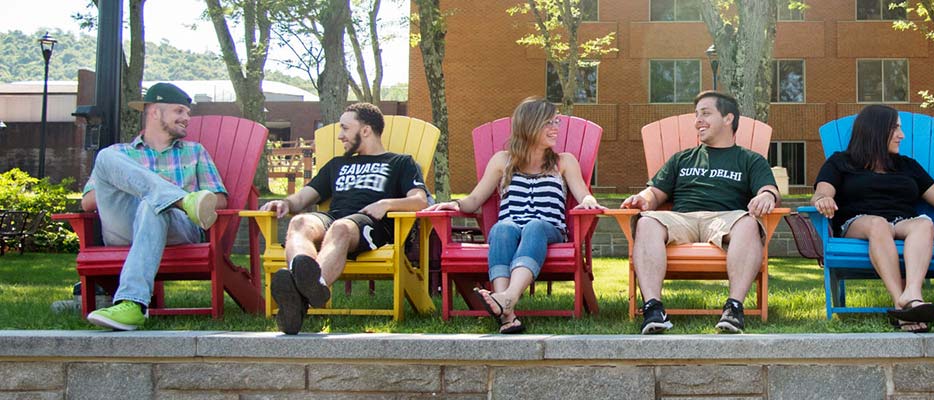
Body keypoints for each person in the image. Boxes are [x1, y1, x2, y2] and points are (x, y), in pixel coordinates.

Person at [421, 98, 605, 334]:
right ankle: (507, 313)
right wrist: (453, 204)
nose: (555, 127)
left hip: (549, 230)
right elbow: (475, 199)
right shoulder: (502, 161)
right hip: (510, 228)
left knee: (534, 226)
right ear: (529, 125)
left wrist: (589, 202)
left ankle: (506, 298)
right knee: (500, 228)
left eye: (556, 121)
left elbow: (583, 194)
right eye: (548, 122)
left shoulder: (563, 162)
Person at [259, 102, 430, 334]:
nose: (340, 136)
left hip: (371, 223)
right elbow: (301, 200)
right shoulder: (337, 164)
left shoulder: (400, 163)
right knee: (299, 222)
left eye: (345, 128)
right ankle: (305, 288)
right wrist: (285, 203)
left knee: (341, 227)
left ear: (366, 130)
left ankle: (300, 293)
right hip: (333, 219)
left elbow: (420, 200)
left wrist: (387, 203)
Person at [620, 91, 780, 334]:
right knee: (646, 223)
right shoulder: (682, 159)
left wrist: (767, 196)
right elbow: (655, 193)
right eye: (696, 115)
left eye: (705, 113)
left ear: (728, 119)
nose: (698, 121)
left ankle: (734, 308)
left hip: (726, 219)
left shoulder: (749, 160)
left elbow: (769, 188)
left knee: (749, 223)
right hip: (681, 218)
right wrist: (642, 199)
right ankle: (653, 308)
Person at [810, 105, 934, 333]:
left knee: (925, 224)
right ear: (876, 131)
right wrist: (823, 199)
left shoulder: (907, 165)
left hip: (901, 221)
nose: (902, 135)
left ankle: (912, 295)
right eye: (895, 128)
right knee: (878, 224)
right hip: (859, 223)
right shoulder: (841, 162)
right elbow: (822, 191)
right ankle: (901, 302)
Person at [81, 83, 225, 331]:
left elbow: (219, 200)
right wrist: (148, 184)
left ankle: (132, 304)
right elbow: (88, 201)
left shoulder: (195, 152)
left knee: (154, 206)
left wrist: (157, 195)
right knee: (108, 159)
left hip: (179, 228)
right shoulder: (120, 154)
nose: (186, 118)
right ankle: (179, 199)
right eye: (179, 111)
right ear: (155, 112)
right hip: (124, 226)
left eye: (188, 113)